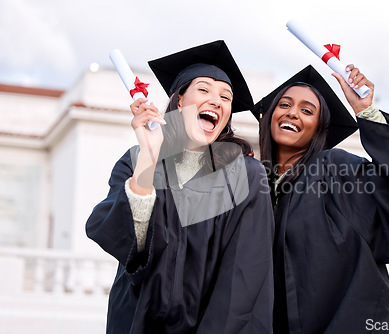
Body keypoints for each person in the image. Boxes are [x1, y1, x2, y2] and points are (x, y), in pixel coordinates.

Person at [86, 40, 274, 333]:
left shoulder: (244, 175)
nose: (217, 100)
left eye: (226, 96)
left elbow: (244, 274)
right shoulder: (137, 160)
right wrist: (149, 159)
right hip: (136, 321)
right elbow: (127, 245)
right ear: (179, 100)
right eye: (204, 90)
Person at [253, 65, 389, 333]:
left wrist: (366, 111)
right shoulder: (253, 185)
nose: (293, 113)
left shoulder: (334, 170)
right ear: (270, 115)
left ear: (319, 129)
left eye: (307, 111)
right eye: (284, 104)